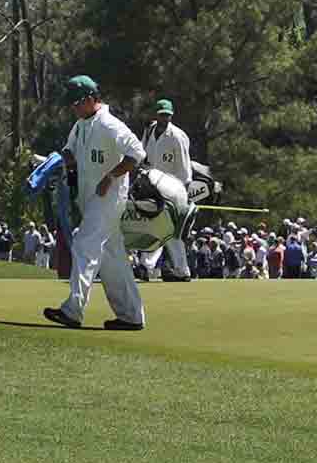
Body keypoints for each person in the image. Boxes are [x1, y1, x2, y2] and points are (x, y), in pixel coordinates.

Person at [43, 74, 147, 333]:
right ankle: (131, 316)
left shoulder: (110, 125)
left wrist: (111, 176)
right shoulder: (80, 125)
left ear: (91, 99)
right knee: (113, 259)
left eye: (77, 103)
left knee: (84, 243)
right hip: (90, 199)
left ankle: (73, 309)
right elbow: (70, 153)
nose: (73, 108)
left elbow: (137, 154)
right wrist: (52, 162)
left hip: (109, 197)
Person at [138, 98, 204, 281]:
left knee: (170, 232)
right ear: (156, 115)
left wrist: (183, 195)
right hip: (152, 187)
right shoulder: (149, 130)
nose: (164, 118)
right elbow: (143, 156)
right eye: (161, 115)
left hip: (173, 190)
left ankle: (177, 269)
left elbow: (184, 169)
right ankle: (148, 266)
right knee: (155, 228)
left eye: (167, 115)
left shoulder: (178, 136)